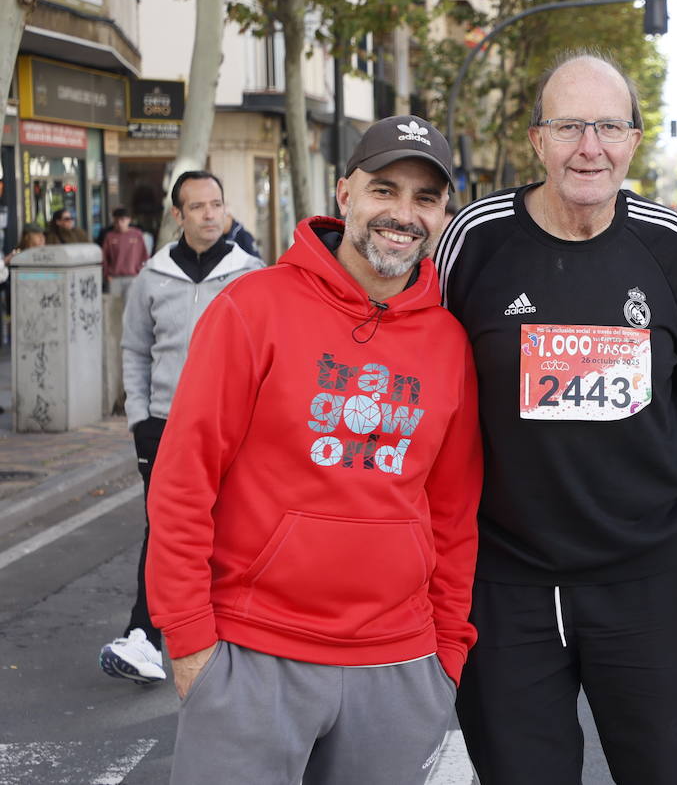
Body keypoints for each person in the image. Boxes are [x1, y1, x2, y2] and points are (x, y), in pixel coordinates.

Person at [146, 116, 483, 785]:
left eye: (425, 198)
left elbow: (453, 513)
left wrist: (446, 652)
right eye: (384, 189)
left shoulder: (449, 343)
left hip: (398, 666)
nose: (402, 214)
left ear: (444, 214)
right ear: (344, 194)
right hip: (251, 654)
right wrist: (189, 643)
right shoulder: (253, 308)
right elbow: (184, 482)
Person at [433, 51, 677, 785]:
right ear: (537, 141)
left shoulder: (667, 244)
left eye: (607, 127)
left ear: (634, 140)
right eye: (569, 126)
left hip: (645, 582)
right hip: (506, 588)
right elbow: (425, 397)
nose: (588, 146)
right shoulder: (475, 238)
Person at [100, 173, 265, 686]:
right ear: (179, 215)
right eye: (198, 207)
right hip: (165, 425)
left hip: (233, 427)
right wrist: (140, 419)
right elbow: (134, 351)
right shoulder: (154, 276)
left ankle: (234, 633)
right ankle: (143, 636)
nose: (211, 214)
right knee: (166, 528)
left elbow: (266, 354)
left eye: (217, 204)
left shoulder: (251, 274)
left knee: (233, 527)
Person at [101, 208, 149, 295]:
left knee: (132, 306)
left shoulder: (137, 234)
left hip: (133, 276)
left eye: (122, 220)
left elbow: (144, 255)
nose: (119, 224)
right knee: (115, 307)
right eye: (116, 221)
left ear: (129, 220)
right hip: (114, 277)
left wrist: (141, 273)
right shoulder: (109, 236)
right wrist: (106, 274)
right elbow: (104, 257)